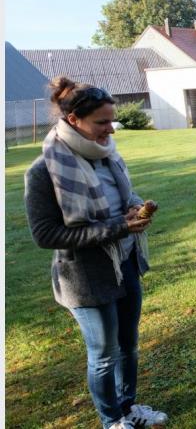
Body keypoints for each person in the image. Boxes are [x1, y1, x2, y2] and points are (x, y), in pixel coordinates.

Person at [24, 77, 167, 429]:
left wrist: (135, 209)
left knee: (128, 346)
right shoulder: (44, 171)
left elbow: (121, 201)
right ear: (74, 120)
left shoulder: (106, 156)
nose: (111, 130)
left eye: (111, 121)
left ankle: (128, 406)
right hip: (85, 278)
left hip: (124, 264)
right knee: (103, 356)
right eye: (102, 123)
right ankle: (111, 419)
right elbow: (46, 235)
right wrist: (118, 227)